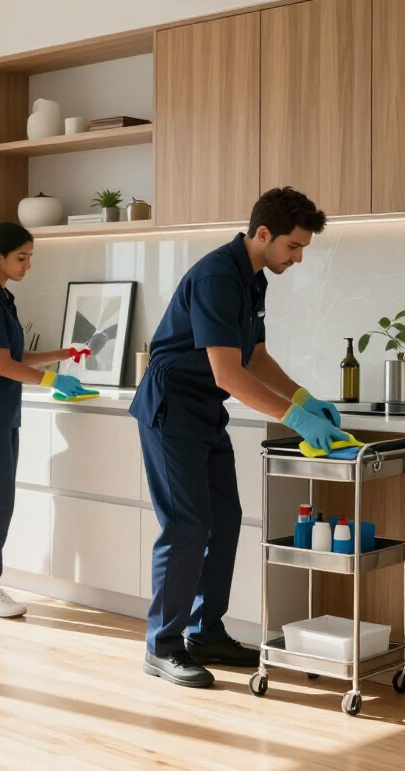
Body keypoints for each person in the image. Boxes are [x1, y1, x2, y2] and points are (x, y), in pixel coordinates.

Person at [130, 187, 348, 688]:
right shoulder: (217, 277)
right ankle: (162, 645)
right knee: (186, 526)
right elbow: (228, 373)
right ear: (263, 233)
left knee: (224, 521)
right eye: (293, 246)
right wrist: (296, 420)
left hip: (205, 409)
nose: (298, 258)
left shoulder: (253, 279)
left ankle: (205, 633)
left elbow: (255, 357)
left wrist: (303, 398)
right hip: (171, 408)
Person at [0, 221, 97, 618]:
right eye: (22, 257)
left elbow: (14, 356)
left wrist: (63, 355)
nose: (28, 265)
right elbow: (2, 366)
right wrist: (53, 381)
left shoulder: (0, 297)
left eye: (30, 257)